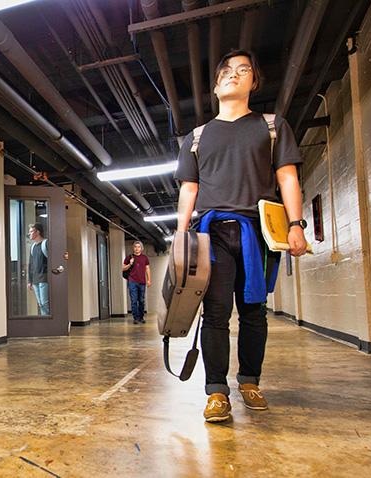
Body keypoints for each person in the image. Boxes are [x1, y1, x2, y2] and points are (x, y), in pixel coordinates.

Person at [174, 50, 306, 422]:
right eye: (226, 72)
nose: (234, 75)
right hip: (211, 235)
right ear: (216, 86)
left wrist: (296, 225)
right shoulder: (197, 137)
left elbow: (287, 178)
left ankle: (250, 380)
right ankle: (216, 391)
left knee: (253, 313)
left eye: (243, 70)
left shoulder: (270, 125)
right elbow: (189, 189)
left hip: (258, 233)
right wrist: (181, 235)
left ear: (253, 82)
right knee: (215, 314)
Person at [123, 241, 151, 324]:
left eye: (139, 246)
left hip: (142, 281)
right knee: (134, 301)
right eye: (135, 246)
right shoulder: (129, 258)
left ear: (141, 248)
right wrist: (129, 264)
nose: (137, 248)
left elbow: (147, 269)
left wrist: (149, 279)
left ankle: (141, 317)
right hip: (132, 281)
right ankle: (136, 318)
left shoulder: (145, 258)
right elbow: (123, 268)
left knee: (141, 300)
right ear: (133, 248)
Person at [26, 222, 49, 315]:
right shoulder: (33, 247)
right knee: (41, 304)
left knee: (45, 303)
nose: (29, 234)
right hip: (35, 279)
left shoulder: (45, 244)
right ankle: (46, 322)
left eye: (31, 231)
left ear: (38, 232)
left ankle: (53, 321)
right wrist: (29, 281)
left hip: (44, 278)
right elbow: (31, 265)